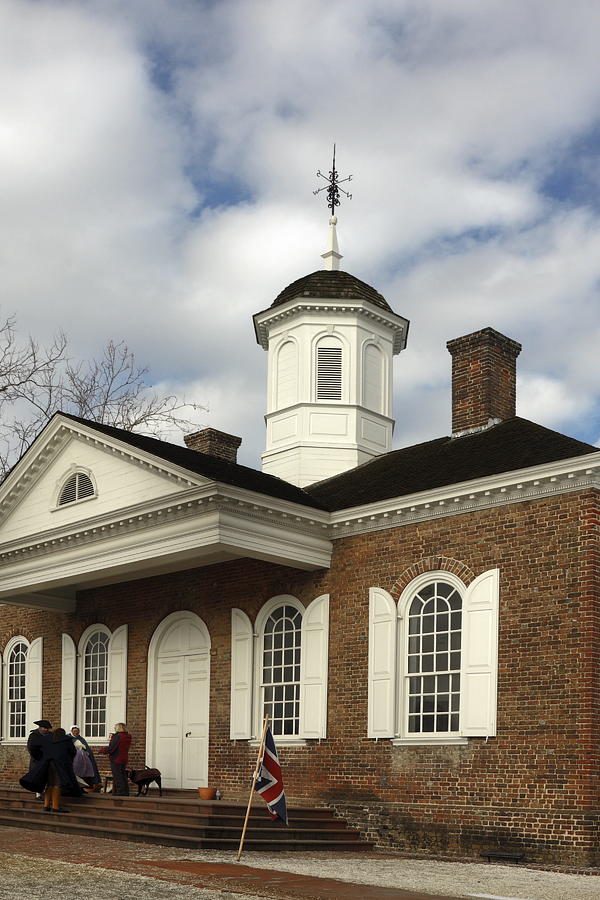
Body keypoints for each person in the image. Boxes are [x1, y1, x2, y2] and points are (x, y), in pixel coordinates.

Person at [20, 727, 82, 811]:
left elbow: (34, 747)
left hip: (47, 764)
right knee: (57, 784)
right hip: (59, 765)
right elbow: (72, 752)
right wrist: (67, 761)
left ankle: (46, 805)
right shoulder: (66, 740)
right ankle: (55, 806)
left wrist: (40, 757)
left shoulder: (46, 739)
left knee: (50, 784)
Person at [99, 723, 131, 795]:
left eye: (115, 727)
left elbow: (112, 748)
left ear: (119, 728)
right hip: (124, 758)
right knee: (123, 775)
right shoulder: (128, 736)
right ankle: (126, 791)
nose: (114, 728)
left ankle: (121, 792)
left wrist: (102, 750)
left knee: (117, 776)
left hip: (117, 758)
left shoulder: (117, 736)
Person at [26, 719, 53, 799]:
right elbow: (31, 748)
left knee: (48, 777)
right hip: (37, 759)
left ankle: (47, 794)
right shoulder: (34, 735)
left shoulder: (50, 735)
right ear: (40, 728)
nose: (46, 730)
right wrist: (38, 758)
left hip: (48, 759)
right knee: (38, 777)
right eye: (44, 728)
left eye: (47, 728)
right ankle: (38, 794)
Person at [70, 726, 101, 790]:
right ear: (72, 731)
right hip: (74, 759)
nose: (76, 732)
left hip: (83, 759)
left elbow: (87, 749)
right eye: (74, 731)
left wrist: (84, 749)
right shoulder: (68, 738)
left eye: (77, 731)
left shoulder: (81, 739)